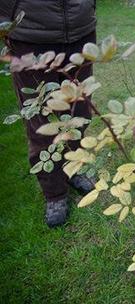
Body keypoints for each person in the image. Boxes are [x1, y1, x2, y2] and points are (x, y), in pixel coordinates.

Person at [0, 1, 97, 227]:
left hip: (81, 31)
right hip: (29, 35)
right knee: (40, 121)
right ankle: (55, 193)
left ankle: (73, 169)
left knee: (79, 114)